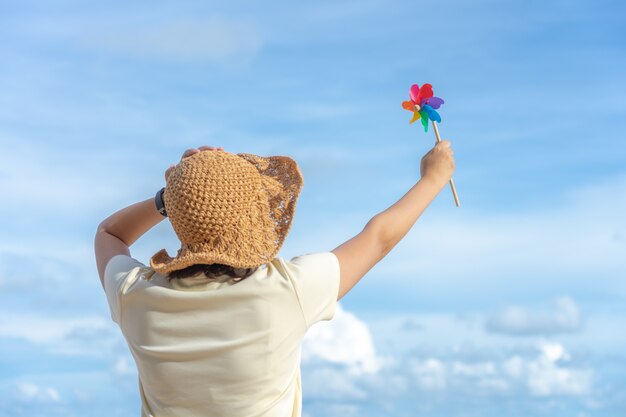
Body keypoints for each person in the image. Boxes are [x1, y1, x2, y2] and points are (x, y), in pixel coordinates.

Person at [94, 142, 455, 417]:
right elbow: (379, 238)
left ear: (176, 218)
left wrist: (170, 197)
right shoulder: (286, 291)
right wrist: (433, 179)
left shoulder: (135, 297)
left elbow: (110, 233)